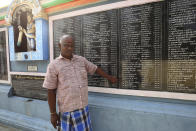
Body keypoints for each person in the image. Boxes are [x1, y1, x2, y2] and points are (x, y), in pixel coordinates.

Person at [43, 35, 117, 131]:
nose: (69, 48)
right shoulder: (53, 66)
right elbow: (50, 91)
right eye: (66, 45)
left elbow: (95, 69)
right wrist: (53, 114)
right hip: (67, 112)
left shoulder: (81, 60)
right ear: (59, 45)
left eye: (72, 46)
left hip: (83, 109)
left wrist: (109, 77)